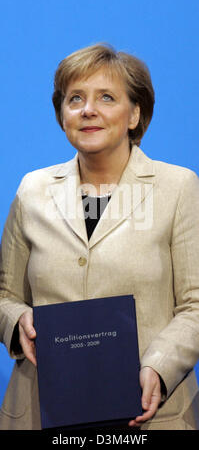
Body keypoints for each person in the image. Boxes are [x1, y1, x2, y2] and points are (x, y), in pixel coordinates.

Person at [0, 43, 199, 431]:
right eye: (75, 98)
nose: (88, 110)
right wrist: (17, 319)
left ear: (135, 113)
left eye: (106, 97)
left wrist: (158, 367)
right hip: (41, 411)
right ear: (62, 114)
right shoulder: (32, 189)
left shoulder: (178, 187)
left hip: (148, 413)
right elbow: (4, 295)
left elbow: (195, 305)